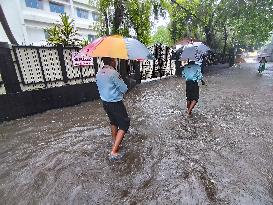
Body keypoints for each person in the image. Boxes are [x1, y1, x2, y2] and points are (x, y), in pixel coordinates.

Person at [96, 57, 130, 161]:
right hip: (115, 102)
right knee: (125, 123)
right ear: (111, 61)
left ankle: (115, 142)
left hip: (105, 102)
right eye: (114, 60)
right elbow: (124, 89)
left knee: (114, 122)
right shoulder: (113, 73)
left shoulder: (99, 72)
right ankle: (114, 151)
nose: (115, 62)